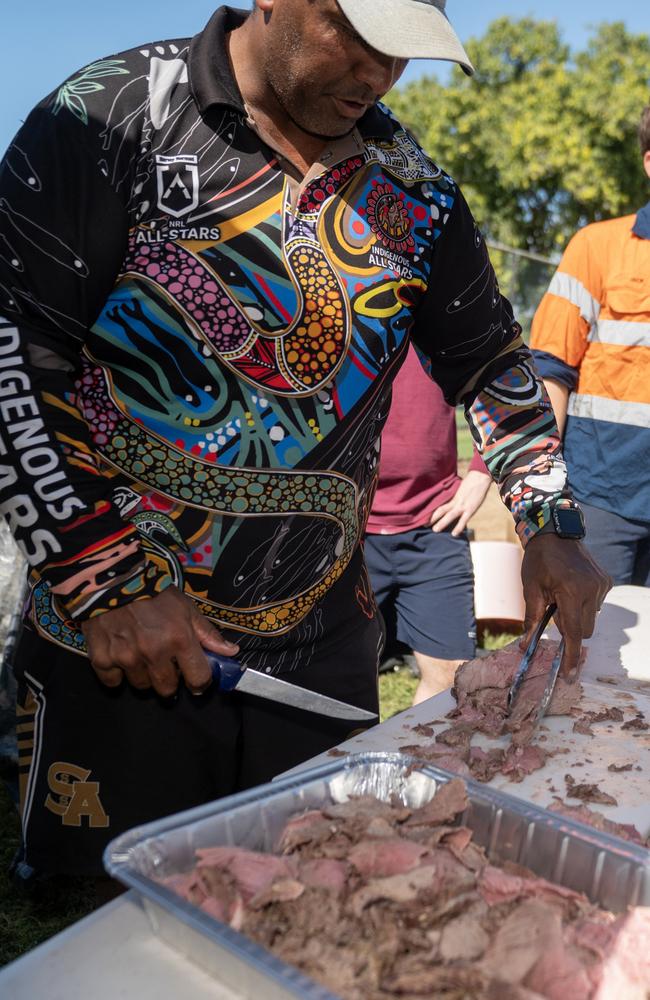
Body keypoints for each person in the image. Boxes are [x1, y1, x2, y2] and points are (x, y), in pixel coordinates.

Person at [0, 0, 608, 880]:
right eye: (354, 35)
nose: (377, 74)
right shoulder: (109, 116)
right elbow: (16, 350)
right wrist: (105, 580)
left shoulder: (416, 190)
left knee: (319, 904)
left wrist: (549, 519)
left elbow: (491, 364)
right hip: (124, 644)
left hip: (318, 650)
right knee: (130, 928)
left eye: (401, 53)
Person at [530, 106, 650, 586]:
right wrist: (542, 497)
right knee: (595, 651)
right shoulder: (597, 247)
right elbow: (550, 371)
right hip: (604, 498)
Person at [365, 344, 491, 703]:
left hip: (435, 525)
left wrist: (482, 474)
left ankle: (421, 761)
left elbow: (502, 379)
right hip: (345, 531)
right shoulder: (327, 300)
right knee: (341, 683)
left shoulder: (446, 302)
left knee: (452, 679)